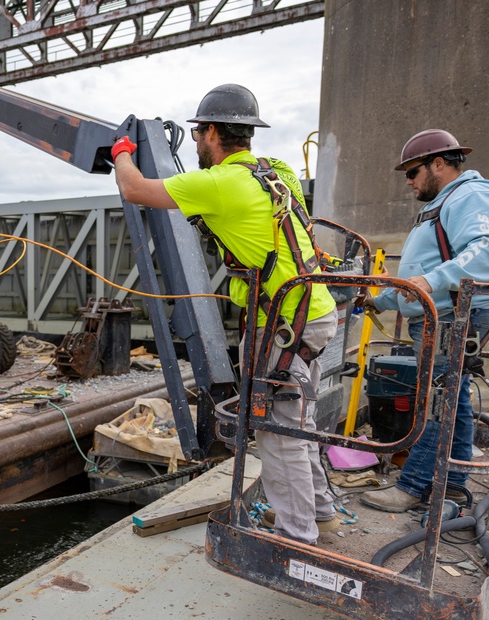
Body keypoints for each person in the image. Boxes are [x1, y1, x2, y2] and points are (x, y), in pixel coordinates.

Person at [113, 84, 340, 544]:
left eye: (198, 133)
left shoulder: (216, 184)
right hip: (313, 312)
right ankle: (322, 513)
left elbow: (133, 188)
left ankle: (299, 538)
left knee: (278, 433)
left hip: (280, 324)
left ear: (212, 131)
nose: (195, 141)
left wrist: (120, 150)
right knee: (300, 421)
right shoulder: (276, 172)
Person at [360, 129, 489, 512]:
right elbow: (420, 276)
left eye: (412, 172)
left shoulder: (471, 195)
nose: (408, 181)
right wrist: (380, 300)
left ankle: (412, 486)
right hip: (441, 313)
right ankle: (452, 486)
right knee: (452, 400)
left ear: (438, 164)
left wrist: (431, 280)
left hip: (454, 316)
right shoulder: (443, 204)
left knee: (437, 400)